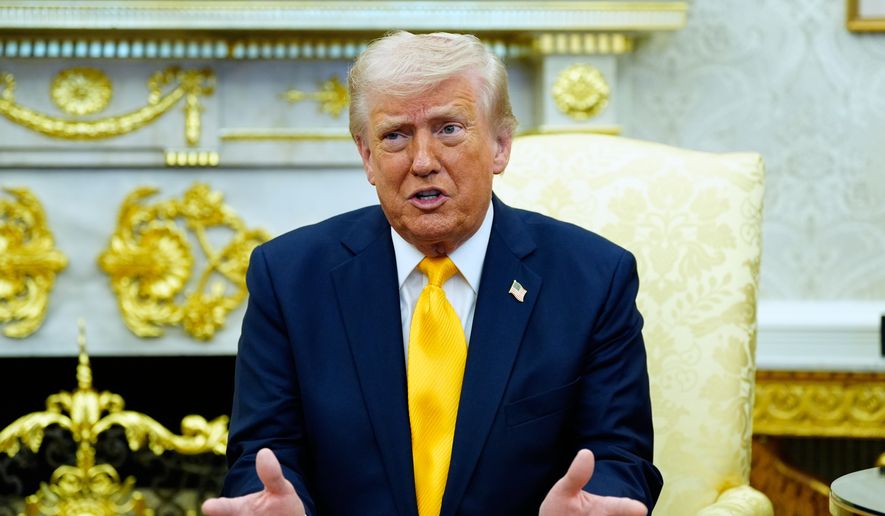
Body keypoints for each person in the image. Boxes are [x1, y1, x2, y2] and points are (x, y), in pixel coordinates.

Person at [203, 31, 662, 516]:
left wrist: (595, 503)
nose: (423, 162)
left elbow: (618, 454)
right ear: (366, 156)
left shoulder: (592, 278)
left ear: (501, 145)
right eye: (395, 135)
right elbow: (263, 457)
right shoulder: (288, 278)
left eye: (449, 129)